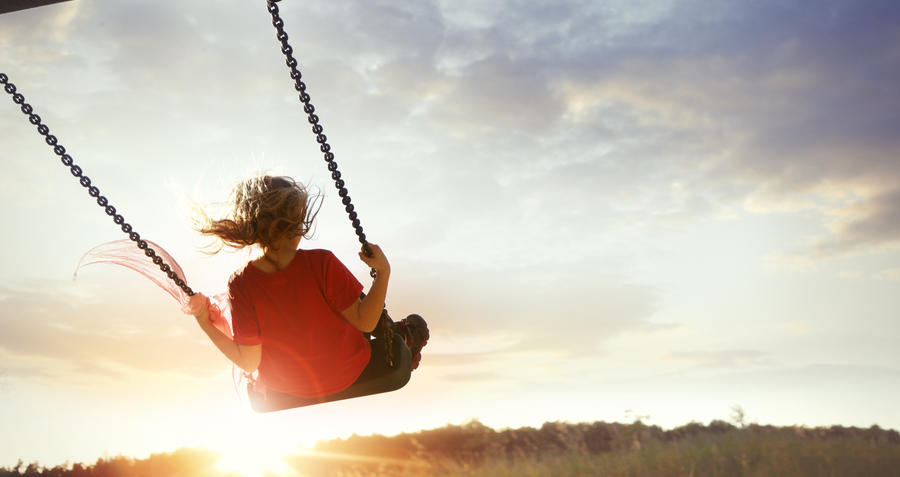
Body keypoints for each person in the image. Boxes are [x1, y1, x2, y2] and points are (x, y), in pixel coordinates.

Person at [189, 175, 428, 411]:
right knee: (356, 307)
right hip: (346, 369)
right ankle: (399, 336)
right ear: (297, 225)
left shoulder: (240, 284)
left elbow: (248, 361)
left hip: (287, 384)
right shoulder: (321, 263)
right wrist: (383, 271)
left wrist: (205, 323)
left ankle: (394, 333)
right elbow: (366, 322)